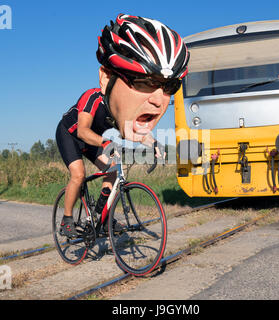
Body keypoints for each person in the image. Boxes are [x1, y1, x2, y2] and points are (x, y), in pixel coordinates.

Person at [55, 13, 190, 238]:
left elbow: (133, 132)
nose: (157, 99)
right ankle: (67, 219)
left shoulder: (121, 110)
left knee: (114, 166)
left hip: (93, 139)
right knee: (78, 175)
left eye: (168, 87)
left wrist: (152, 143)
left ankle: (102, 214)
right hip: (71, 135)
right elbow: (83, 131)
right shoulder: (92, 98)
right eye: (142, 83)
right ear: (107, 79)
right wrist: (106, 142)